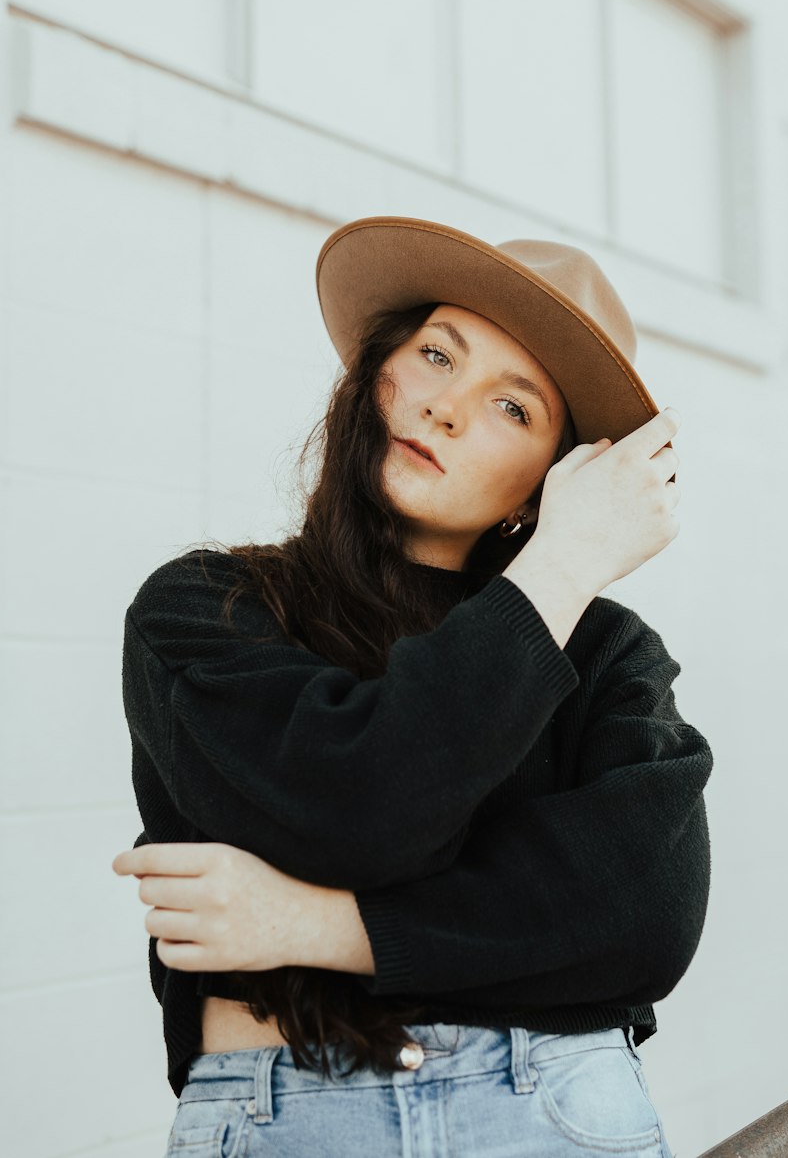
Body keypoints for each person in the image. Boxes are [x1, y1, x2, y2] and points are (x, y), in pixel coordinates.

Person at [112, 214, 713, 1158]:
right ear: (374, 372)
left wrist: (321, 923)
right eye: (437, 355)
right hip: (288, 1110)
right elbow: (360, 803)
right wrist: (502, 916)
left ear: (540, 491)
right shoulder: (206, 608)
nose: (446, 408)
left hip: (553, 1100)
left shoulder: (605, 652)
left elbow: (644, 915)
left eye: (514, 408)